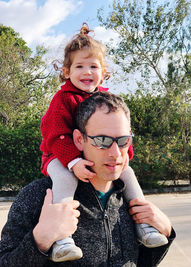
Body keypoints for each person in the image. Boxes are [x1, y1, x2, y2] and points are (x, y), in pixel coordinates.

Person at [39, 23, 168, 262]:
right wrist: (73, 161)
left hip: (77, 155)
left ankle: (145, 225)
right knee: (66, 179)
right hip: (58, 155)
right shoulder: (62, 99)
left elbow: (120, 131)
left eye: (93, 66)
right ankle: (61, 237)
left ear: (103, 71)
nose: (87, 72)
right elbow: (56, 135)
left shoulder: (106, 100)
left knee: (128, 173)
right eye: (79, 66)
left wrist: (124, 155)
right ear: (67, 71)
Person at [0, 92, 175, 266]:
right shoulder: (39, 197)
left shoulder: (130, 201)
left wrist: (166, 231)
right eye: (102, 140)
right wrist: (39, 240)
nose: (115, 153)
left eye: (123, 140)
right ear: (78, 139)